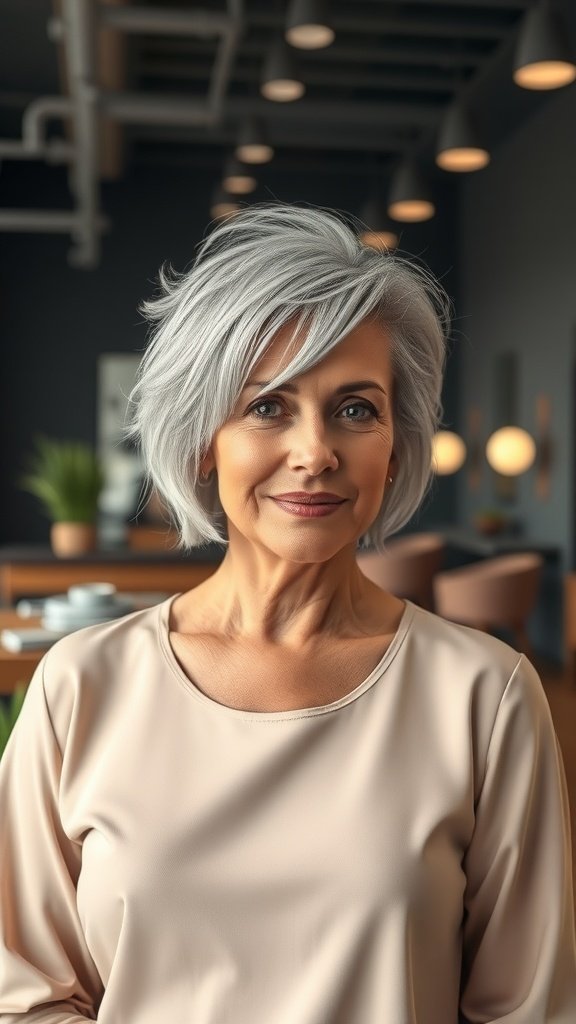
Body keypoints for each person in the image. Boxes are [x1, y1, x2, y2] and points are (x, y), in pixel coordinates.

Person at [1, 202, 575, 1024]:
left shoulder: (487, 697)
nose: (315, 452)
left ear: (397, 445)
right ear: (207, 438)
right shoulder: (80, 686)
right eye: (267, 406)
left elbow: (528, 1011)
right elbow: (25, 996)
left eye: (356, 408)